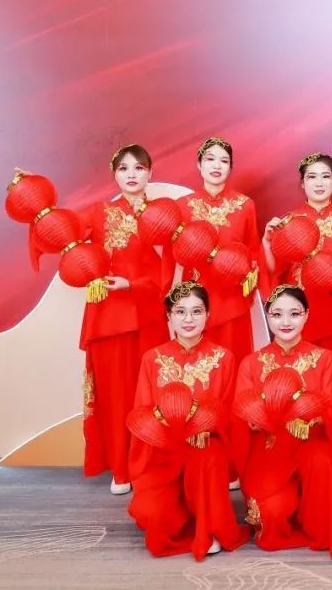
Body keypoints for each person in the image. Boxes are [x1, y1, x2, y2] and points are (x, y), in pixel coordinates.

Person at [61, 144, 171, 495]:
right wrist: (35, 202)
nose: (132, 174)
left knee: (150, 393)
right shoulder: (99, 214)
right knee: (114, 394)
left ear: (150, 172)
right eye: (124, 168)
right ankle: (120, 468)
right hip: (108, 319)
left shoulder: (164, 214)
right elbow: (64, 237)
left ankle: (150, 464)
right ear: (115, 175)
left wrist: (132, 284)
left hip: (149, 314)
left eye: (139, 167)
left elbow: (169, 270)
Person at [127, 282, 249, 559]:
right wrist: (169, 433)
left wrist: (206, 428)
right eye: (180, 311)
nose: (188, 319)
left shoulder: (223, 358)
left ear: (208, 315)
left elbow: (230, 415)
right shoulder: (153, 359)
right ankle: (182, 514)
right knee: (153, 518)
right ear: (168, 317)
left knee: (207, 454)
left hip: (205, 453)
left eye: (196, 311)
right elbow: (143, 413)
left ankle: (209, 527)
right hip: (163, 455)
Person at [235, 284, 332, 556]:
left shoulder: (325, 359)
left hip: (312, 447)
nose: (285, 322)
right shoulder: (252, 363)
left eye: (294, 314)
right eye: (277, 314)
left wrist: (309, 417)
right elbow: (242, 411)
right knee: (271, 516)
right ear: (267, 316)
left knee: (322, 459)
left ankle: (319, 523)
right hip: (270, 453)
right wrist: (257, 420)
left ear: (306, 315)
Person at [168, 137, 267, 358]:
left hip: (233, 298)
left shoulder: (245, 205)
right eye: (210, 159)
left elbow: (252, 251)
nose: (216, 166)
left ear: (230, 167)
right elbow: (175, 254)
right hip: (195, 298)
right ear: (199, 164)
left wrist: (248, 277)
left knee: (233, 357)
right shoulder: (182, 206)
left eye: (224, 161)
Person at [263, 153, 332, 358]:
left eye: (325, 176)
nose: (319, 183)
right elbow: (276, 270)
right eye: (312, 177)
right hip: (299, 315)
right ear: (303, 183)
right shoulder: (289, 221)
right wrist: (267, 244)